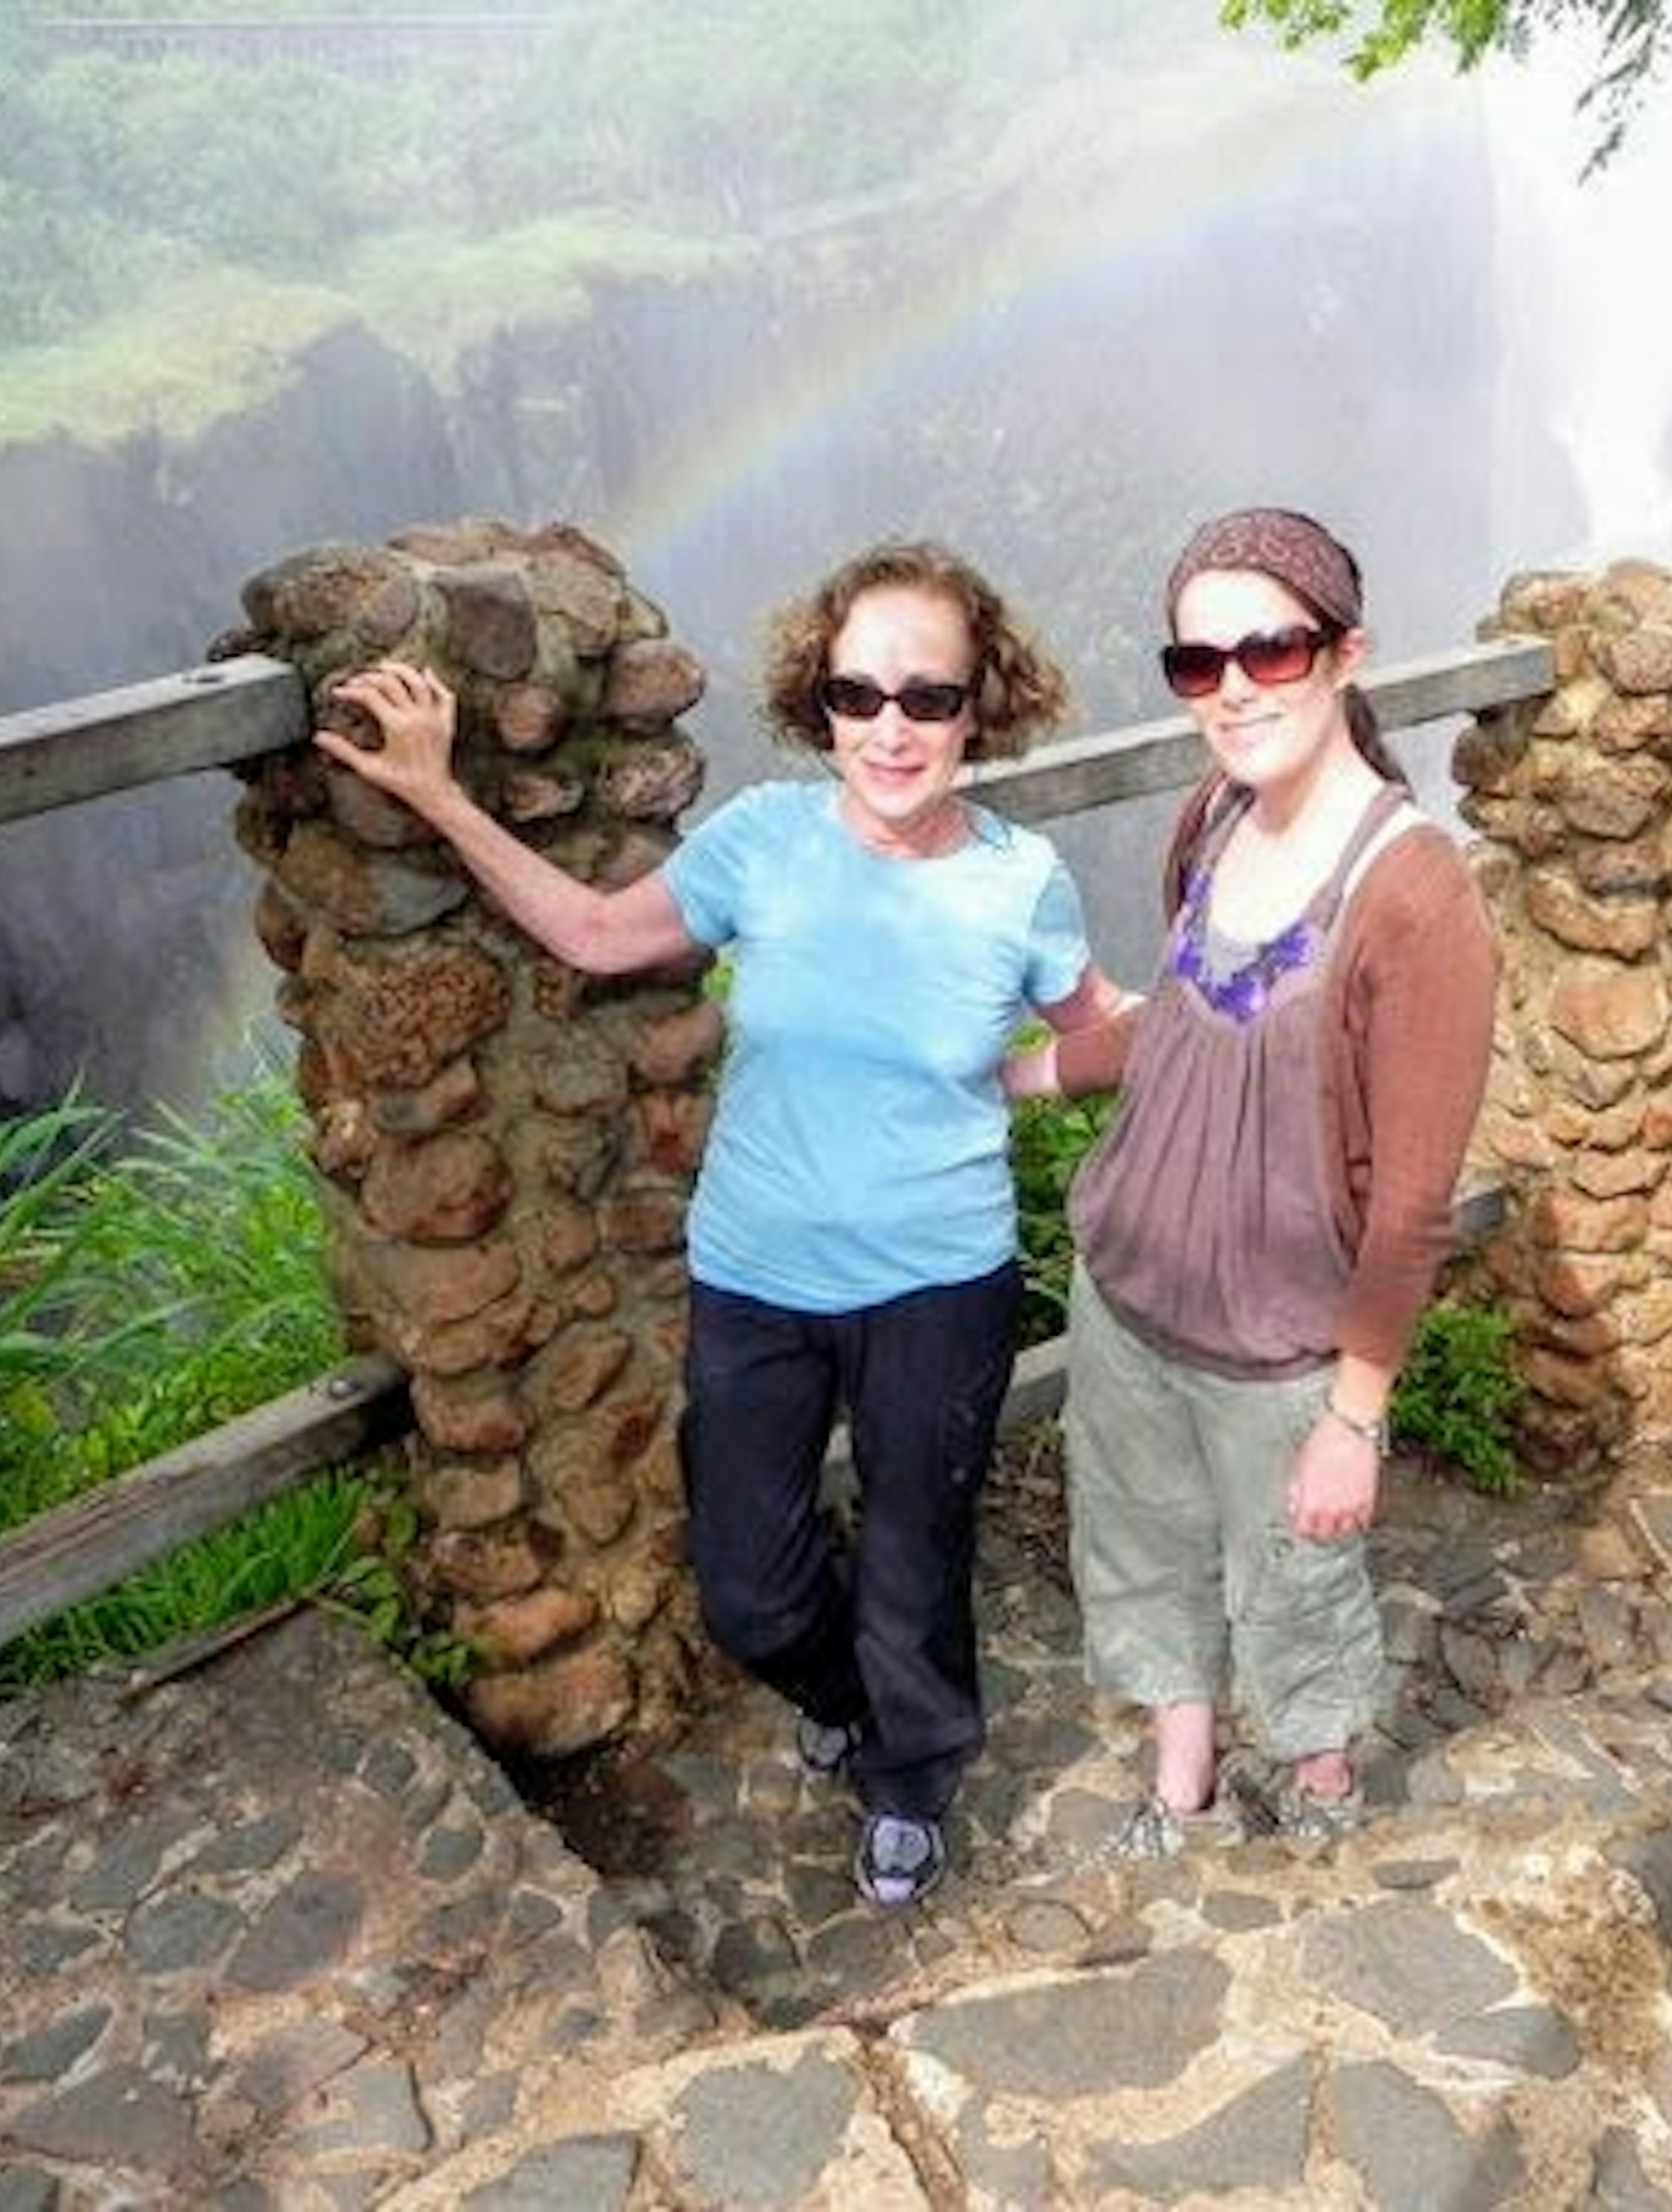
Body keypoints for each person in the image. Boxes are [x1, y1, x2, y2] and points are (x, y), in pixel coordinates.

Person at [320, 541, 1131, 1909]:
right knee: (748, 1581)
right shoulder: (763, 839)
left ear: (979, 707)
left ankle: (907, 1771)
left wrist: (1025, 1076)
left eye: (926, 698)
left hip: (942, 1280)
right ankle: (845, 1692)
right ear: (817, 702)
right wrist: (437, 795)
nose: (890, 727)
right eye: (856, 693)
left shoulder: (1021, 882)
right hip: (757, 1271)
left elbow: (1105, 1032)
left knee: (914, 1560)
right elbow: (588, 933)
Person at [1018, 506, 1499, 1856]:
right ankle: (1184, 1780)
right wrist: (1025, 1079)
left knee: (1296, 1584)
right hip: (1130, 1297)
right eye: (1196, 664)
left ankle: (1323, 1781)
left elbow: (1410, 1202)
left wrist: (1357, 1414)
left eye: (1269, 652)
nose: (1232, 688)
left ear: (1344, 654)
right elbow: (1178, 1020)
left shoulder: (1415, 896)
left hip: (1285, 1347)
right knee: (1147, 1550)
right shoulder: (1213, 819)